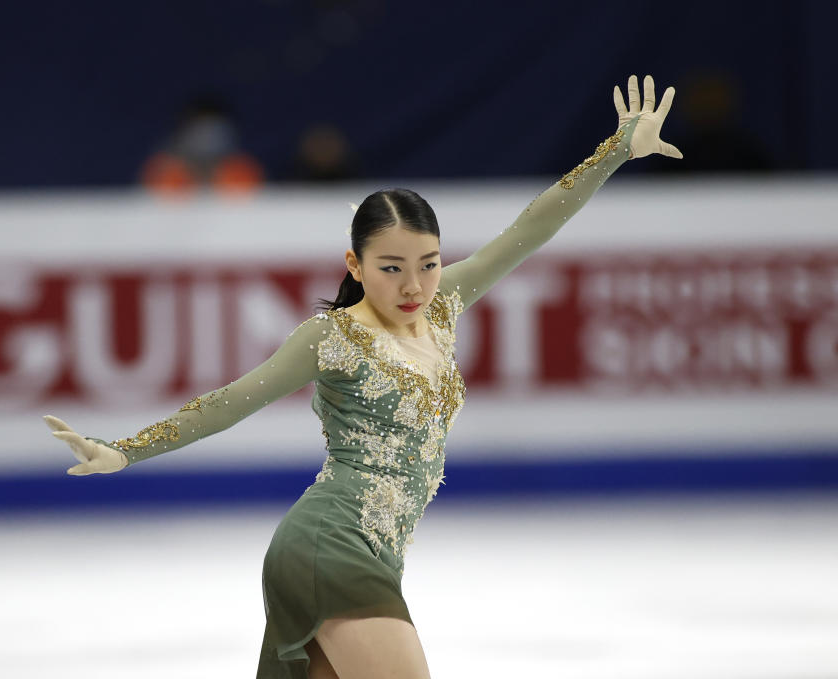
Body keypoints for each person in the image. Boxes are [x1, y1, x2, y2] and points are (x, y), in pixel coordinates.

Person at [45, 74, 682, 679]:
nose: (413, 285)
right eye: (391, 267)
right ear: (355, 262)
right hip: (331, 543)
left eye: (429, 264)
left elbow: (531, 227)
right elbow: (233, 400)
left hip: (376, 552)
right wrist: (123, 451)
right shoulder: (333, 336)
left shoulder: (444, 304)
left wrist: (616, 153)